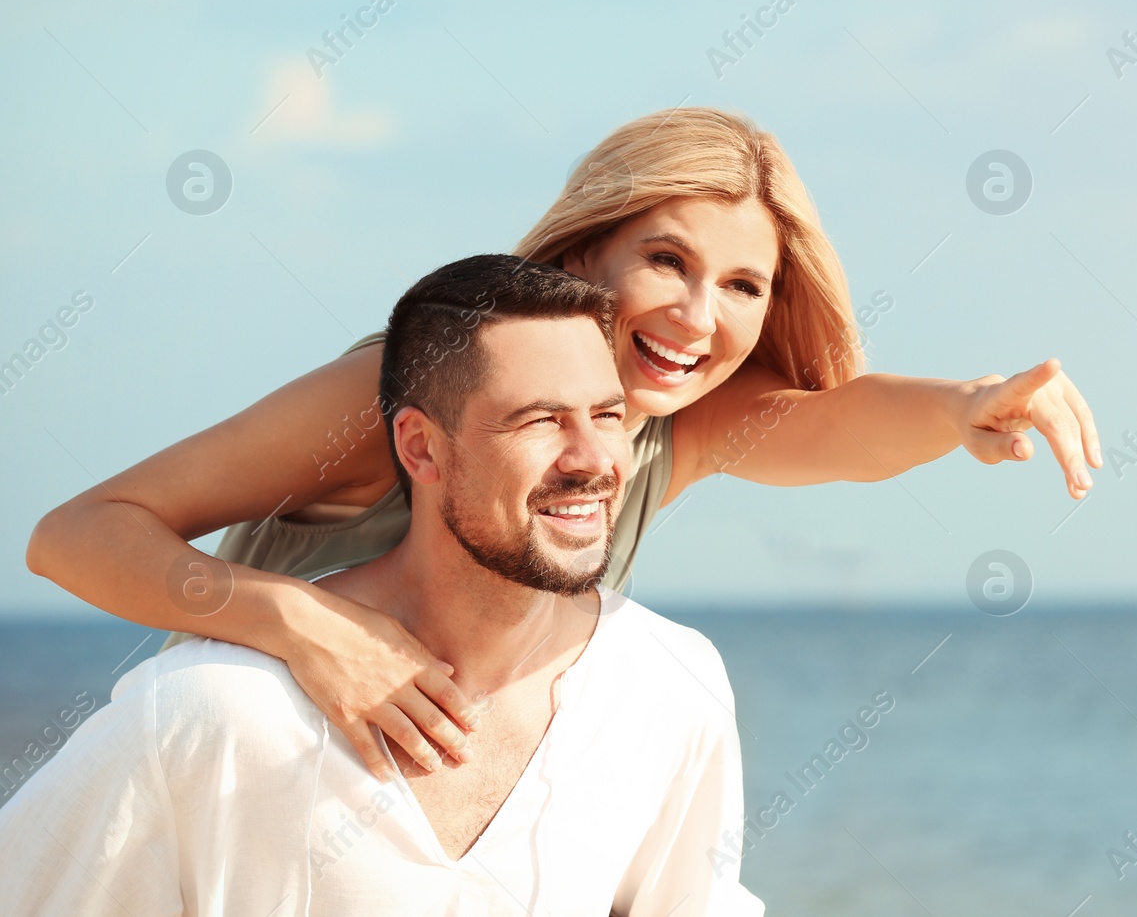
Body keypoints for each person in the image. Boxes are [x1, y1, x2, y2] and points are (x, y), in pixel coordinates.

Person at [26, 107, 1103, 781]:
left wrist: (972, 401)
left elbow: (837, 424)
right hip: (217, 813)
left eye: (742, 285)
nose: (697, 315)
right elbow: (76, 534)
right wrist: (309, 626)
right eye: (666, 259)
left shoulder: (661, 430)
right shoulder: (404, 387)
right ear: (588, 246)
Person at [0, 256, 763, 916]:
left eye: (608, 413)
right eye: (540, 420)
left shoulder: (671, 689)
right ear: (421, 448)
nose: (594, 458)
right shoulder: (211, 711)